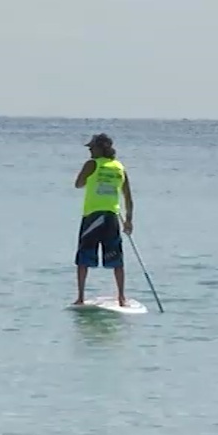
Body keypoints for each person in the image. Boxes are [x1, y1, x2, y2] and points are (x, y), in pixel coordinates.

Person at [72, 132, 134, 307]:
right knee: (116, 258)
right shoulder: (119, 167)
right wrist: (129, 220)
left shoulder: (92, 164)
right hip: (112, 217)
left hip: (93, 215)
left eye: (93, 147)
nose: (90, 150)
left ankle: (80, 298)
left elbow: (78, 184)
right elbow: (128, 197)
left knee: (84, 256)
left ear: (102, 148)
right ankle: (121, 297)